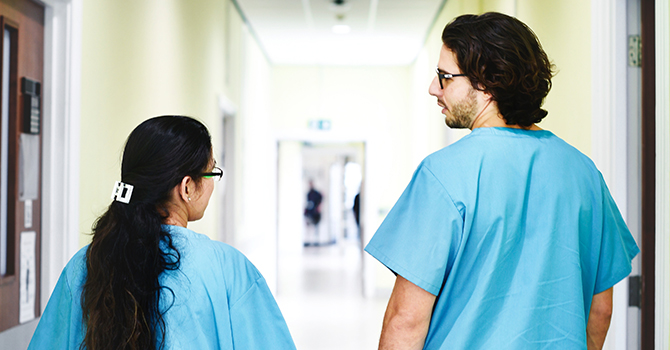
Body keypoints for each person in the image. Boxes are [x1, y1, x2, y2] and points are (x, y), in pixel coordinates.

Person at [364, 12, 639, 350]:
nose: (434, 88)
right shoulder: (585, 175)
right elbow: (600, 310)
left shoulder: (442, 174)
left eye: (444, 77)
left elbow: (405, 320)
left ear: (486, 84)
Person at [28, 116, 296, 350]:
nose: (214, 185)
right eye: (211, 173)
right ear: (187, 187)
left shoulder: (85, 264)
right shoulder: (228, 269)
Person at [304, 180, 323, 245]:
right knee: (309, 227)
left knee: (316, 228)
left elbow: (320, 200)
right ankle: (309, 241)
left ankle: (316, 241)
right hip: (310, 213)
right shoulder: (308, 194)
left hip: (316, 214)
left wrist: (319, 208)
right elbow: (308, 203)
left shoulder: (317, 194)